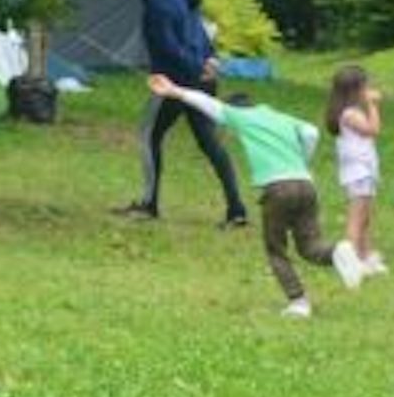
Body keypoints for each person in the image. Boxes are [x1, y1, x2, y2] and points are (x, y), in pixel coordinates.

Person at [149, 74, 364, 317]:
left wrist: (174, 90)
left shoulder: (239, 117)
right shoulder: (277, 117)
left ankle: (298, 302)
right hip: (305, 184)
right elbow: (311, 132)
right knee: (310, 246)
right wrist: (302, 160)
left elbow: (207, 104)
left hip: (277, 189)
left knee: (275, 248)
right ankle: (338, 251)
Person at [121, 0, 248, 229]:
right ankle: (236, 209)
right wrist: (210, 61)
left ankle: (149, 204)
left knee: (148, 135)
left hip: (175, 83)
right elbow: (200, 36)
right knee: (209, 142)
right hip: (201, 78)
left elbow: (169, 46)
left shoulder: (159, 2)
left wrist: (191, 69)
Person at [325, 65, 389, 276]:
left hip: (364, 169)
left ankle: (366, 255)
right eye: (365, 86)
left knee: (366, 216)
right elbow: (373, 130)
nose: (368, 89)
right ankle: (350, 259)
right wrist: (372, 105)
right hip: (358, 171)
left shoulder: (349, 112)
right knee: (357, 217)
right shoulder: (350, 114)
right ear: (356, 90)